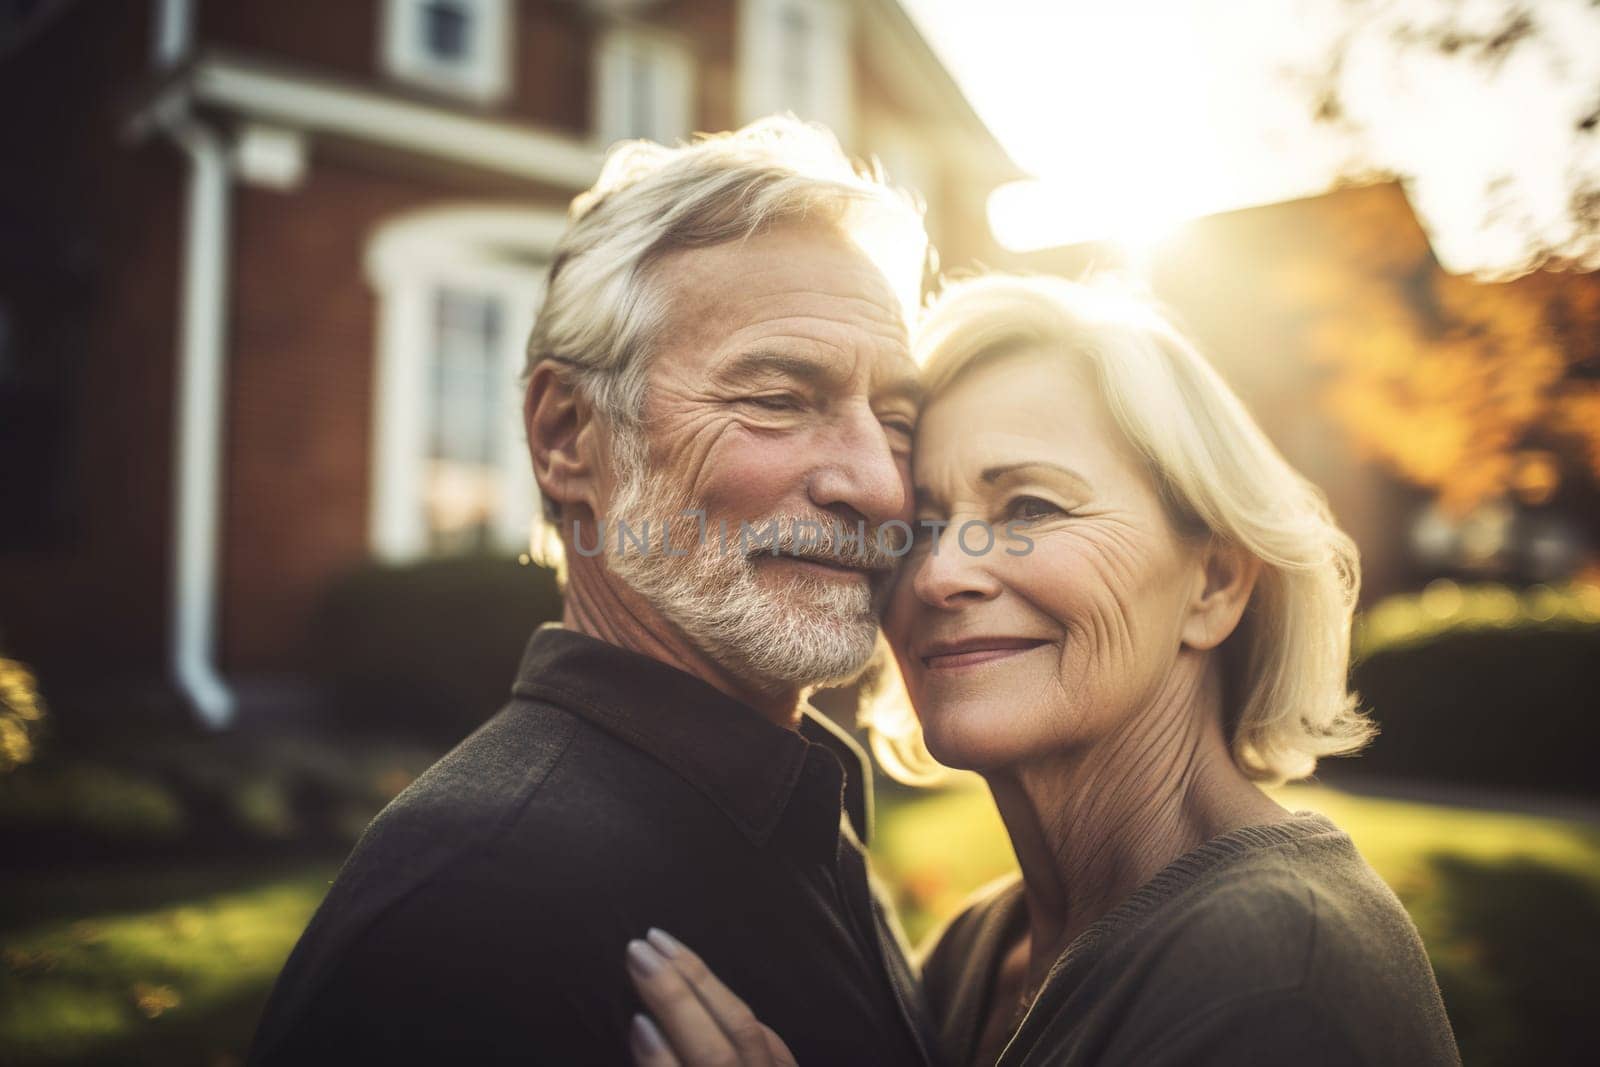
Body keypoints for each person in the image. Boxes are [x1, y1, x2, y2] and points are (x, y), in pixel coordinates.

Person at [621, 274, 1462, 1066]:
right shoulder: (976, 949)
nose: (944, 572)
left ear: (1213, 582)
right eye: (917, 524)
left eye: (1031, 508)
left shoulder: (1279, 973)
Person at [247, 118, 938, 1066]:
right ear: (567, 434)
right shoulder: (467, 915)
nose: (880, 484)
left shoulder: (797, 809)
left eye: (896, 418)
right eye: (779, 398)